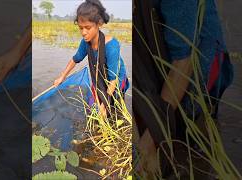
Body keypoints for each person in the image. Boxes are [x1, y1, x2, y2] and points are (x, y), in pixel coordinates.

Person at [133, 0, 234, 177]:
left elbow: (183, 61)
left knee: (192, 145)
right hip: (152, 54)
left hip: (195, 65)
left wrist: (152, 138)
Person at [53, 0, 129, 117]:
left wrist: (104, 106)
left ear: (99, 24)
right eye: (81, 28)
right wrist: (62, 77)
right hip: (99, 77)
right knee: (94, 109)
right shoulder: (85, 43)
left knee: (114, 109)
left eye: (88, 27)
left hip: (116, 82)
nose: (83, 32)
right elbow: (75, 59)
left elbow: (113, 80)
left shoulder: (111, 46)